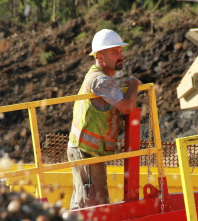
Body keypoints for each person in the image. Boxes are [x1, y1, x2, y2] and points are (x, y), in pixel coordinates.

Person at [67, 29, 141, 209]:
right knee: (94, 208)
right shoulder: (100, 81)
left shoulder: (99, 78)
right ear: (100, 57)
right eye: (115, 52)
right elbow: (127, 106)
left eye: (121, 51)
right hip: (86, 152)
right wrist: (134, 85)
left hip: (87, 151)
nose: (121, 55)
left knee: (83, 204)